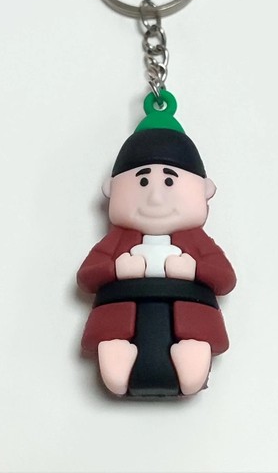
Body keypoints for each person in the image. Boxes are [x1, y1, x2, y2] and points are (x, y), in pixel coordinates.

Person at [77, 91, 236, 397]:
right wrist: (115, 268)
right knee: (113, 335)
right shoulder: (116, 241)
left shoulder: (198, 243)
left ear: (205, 191)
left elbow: (225, 278)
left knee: (195, 336)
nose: (155, 197)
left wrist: (194, 269)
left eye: (170, 181)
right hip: (121, 309)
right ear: (111, 190)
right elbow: (86, 277)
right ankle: (116, 353)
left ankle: (192, 354)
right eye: (142, 181)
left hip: (189, 310)